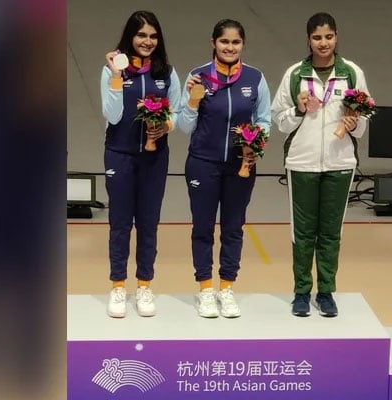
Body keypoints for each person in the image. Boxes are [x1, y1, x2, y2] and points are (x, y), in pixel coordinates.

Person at [270, 12, 370, 318]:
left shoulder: (351, 73)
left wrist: (354, 124)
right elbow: (279, 120)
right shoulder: (295, 74)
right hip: (302, 163)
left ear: (336, 37)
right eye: (317, 37)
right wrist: (298, 110)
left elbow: (364, 120)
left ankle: (326, 292)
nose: (323, 43)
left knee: (330, 232)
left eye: (328, 36)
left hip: (340, 162)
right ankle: (301, 292)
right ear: (308, 40)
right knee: (303, 233)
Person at [178, 19, 271, 318]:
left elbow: (264, 120)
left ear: (242, 45)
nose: (230, 47)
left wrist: (255, 144)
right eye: (224, 42)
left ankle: (227, 288)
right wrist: (192, 101)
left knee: (233, 228)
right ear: (213, 43)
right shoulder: (197, 77)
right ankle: (205, 289)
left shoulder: (255, 79)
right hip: (202, 164)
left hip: (240, 167)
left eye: (236, 43)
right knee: (202, 228)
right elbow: (183, 126)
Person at [100, 10, 181, 318]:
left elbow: (179, 113)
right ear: (130, 38)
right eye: (141, 35)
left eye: (152, 36)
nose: (147, 41)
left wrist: (167, 126)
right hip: (119, 154)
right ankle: (118, 287)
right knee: (120, 223)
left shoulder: (166, 72)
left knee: (148, 223)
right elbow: (112, 116)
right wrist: (117, 78)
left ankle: (144, 285)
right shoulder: (113, 70)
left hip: (155, 158)